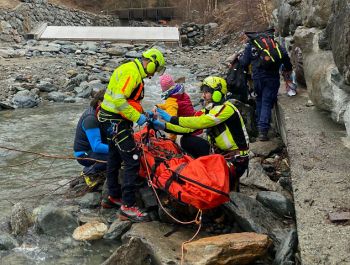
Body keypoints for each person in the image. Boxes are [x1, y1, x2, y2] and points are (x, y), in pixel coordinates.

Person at [98, 47, 165, 222]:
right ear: (150, 64)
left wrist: (144, 114)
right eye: (155, 70)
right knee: (133, 160)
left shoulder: (129, 68)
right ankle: (127, 206)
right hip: (116, 121)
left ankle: (112, 196)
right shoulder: (132, 73)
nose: (153, 75)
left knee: (114, 157)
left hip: (109, 119)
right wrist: (139, 118)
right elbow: (120, 101)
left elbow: (130, 100)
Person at [150, 76, 250, 191]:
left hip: (236, 160)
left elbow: (200, 122)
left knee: (202, 179)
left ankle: (227, 180)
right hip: (219, 154)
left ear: (217, 93)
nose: (203, 96)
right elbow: (189, 129)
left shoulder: (227, 109)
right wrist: (164, 126)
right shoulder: (209, 110)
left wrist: (172, 119)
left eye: (207, 92)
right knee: (186, 140)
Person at [239, 30, 293, 141]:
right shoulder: (274, 44)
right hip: (272, 77)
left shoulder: (252, 45)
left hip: (257, 78)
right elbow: (285, 56)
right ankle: (263, 131)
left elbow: (244, 62)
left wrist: (240, 59)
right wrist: (288, 69)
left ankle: (260, 126)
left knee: (260, 99)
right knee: (267, 102)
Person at [73, 89, 108, 188]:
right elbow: (96, 146)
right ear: (99, 102)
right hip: (83, 154)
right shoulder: (90, 118)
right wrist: (116, 148)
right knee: (116, 157)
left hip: (91, 150)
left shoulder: (100, 113)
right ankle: (88, 172)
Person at [156, 73, 196, 141]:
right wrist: (157, 106)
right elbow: (174, 105)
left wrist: (172, 139)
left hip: (190, 133)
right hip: (196, 125)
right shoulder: (181, 93)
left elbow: (172, 122)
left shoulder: (171, 101)